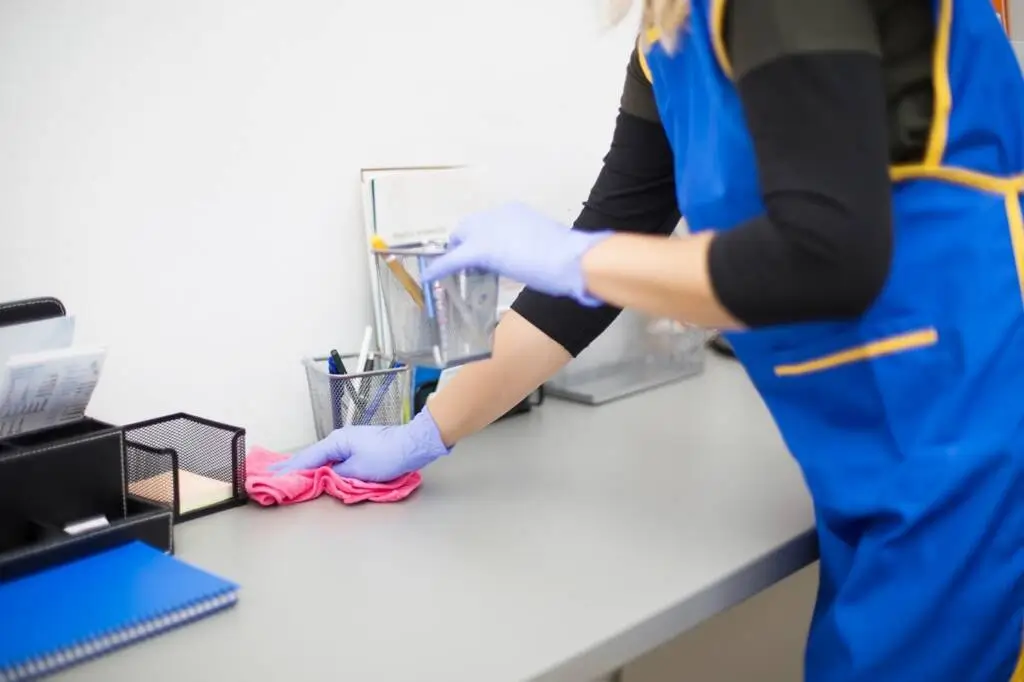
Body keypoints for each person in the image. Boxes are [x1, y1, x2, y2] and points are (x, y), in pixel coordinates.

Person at [272, 0, 1024, 679]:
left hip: (975, 440)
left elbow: (828, 253)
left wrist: (576, 258)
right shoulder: (672, 35)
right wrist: (423, 432)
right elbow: (600, 256)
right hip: (872, 455)